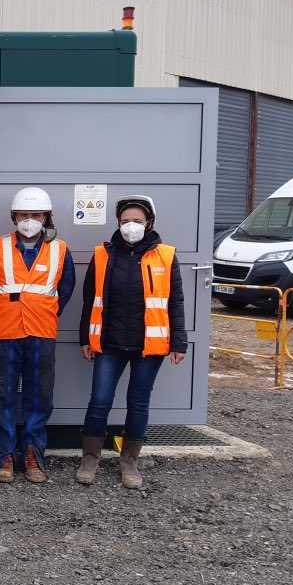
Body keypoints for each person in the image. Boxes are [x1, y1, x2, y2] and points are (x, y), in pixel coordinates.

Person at [77, 195, 186, 489]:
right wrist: (85, 338)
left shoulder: (165, 256)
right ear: (118, 223)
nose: (130, 226)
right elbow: (89, 299)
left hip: (148, 346)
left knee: (138, 403)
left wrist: (179, 342)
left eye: (137, 220)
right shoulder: (102, 254)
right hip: (110, 343)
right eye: (125, 221)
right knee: (99, 401)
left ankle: (129, 462)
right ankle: (90, 459)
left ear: (148, 223)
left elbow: (175, 302)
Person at [0, 187, 75, 483]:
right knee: (3, 395)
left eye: (36, 214)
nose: (29, 220)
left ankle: (33, 455)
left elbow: (65, 290)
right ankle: (4, 456)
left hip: (41, 333)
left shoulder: (60, 250)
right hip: (5, 333)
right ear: (14, 217)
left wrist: (41, 311)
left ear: (46, 217)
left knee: (39, 396)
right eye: (24, 214)